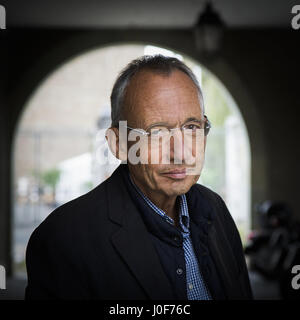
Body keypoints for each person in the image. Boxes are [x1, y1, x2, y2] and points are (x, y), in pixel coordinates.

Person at [25, 55, 253, 300]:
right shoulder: (63, 240)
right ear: (119, 143)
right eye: (157, 132)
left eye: (191, 127)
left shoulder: (216, 209)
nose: (181, 153)